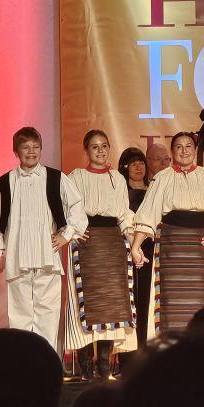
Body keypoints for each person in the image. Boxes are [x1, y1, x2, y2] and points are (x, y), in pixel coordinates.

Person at [129, 131, 204, 338]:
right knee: (170, 302)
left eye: (188, 146)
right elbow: (148, 213)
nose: (184, 151)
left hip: (199, 246)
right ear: (172, 151)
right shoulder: (163, 177)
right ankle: (169, 354)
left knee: (200, 302)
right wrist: (136, 246)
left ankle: (198, 353)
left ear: (194, 150)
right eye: (179, 146)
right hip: (171, 245)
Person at [0, 127, 88, 351]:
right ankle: (23, 363)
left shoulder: (56, 177)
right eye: (26, 147)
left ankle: (47, 362)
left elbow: (77, 207)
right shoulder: (5, 182)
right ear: (16, 151)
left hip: (47, 255)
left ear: (41, 149)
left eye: (35, 147)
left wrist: (67, 234)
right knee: (20, 313)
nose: (31, 152)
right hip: (18, 254)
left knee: (48, 314)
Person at [64, 130, 135, 380]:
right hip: (87, 240)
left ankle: (104, 364)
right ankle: (85, 365)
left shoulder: (117, 178)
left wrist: (132, 241)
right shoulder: (76, 177)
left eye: (104, 146)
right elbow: (68, 211)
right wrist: (73, 232)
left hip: (113, 242)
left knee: (112, 305)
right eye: (95, 147)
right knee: (86, 303)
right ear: (86, 150)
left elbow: (124, 213)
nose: (101, 151)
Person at [118, 146, 153, 349]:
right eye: (133, 163)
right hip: (127, 247)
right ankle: (130, 352)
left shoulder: (154, 190)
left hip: (153, 248)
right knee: (131, 298)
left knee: (149, 299)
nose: (139, 167)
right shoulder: (121, 192)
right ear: (125, 167)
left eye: (141, 162)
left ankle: (149, 348)